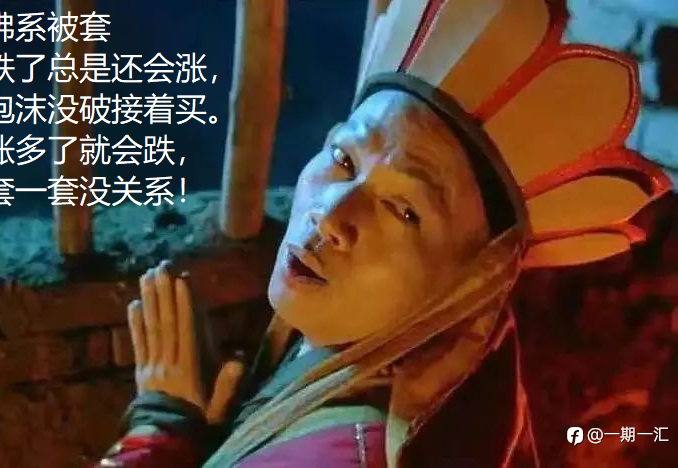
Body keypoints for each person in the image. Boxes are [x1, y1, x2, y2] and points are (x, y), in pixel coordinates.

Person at [97, 0, 672, 466]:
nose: (330, 214)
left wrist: (160, 431)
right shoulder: (340, 358)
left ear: (469, 286)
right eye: (344, 159)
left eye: (404, 210)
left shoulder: (339, 456)